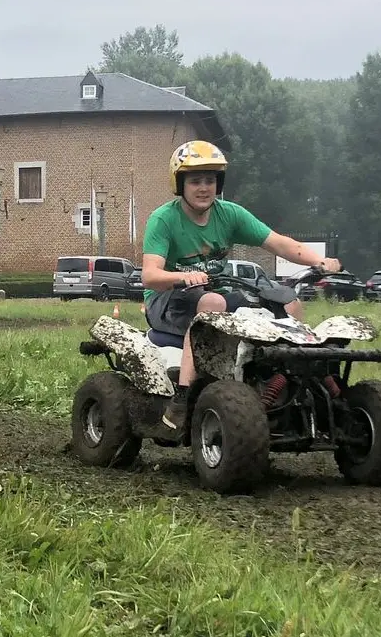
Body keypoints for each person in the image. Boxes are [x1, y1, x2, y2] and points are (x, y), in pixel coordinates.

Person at [139, 140, 342, 430]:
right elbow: (150, 276)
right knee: (213, 303)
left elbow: (280, 243)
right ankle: (182, 399)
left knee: (286, 303)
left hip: (214, 294)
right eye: (195, 180)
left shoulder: (230, 214)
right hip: (166, 298)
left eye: (210, 180)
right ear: (179, 183)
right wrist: (182, 277)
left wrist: (319, 262)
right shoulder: (164, 219)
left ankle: (281, 379)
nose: (203, 188)